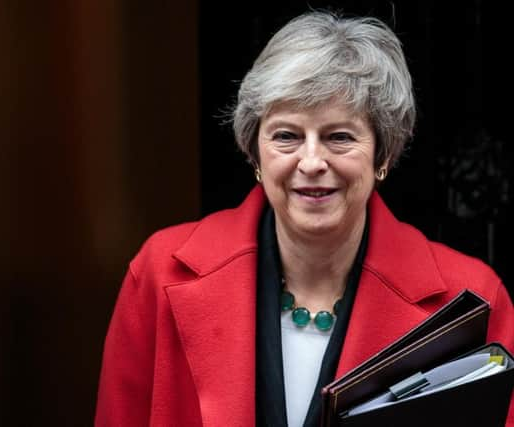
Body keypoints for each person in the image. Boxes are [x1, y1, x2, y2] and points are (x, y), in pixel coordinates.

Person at [95, 10, 514, 427]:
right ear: (254, 153)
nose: (311, 161)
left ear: (383, 155)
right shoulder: (158, 271)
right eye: (287, 136)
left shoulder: (473, 297)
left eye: (339, 137)